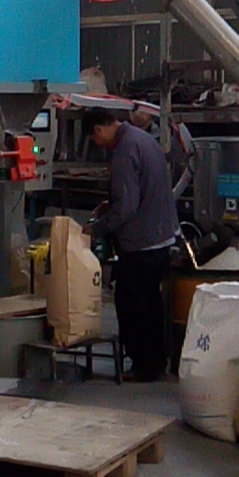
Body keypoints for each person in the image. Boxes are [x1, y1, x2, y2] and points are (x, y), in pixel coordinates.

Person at [86, 106, 178, 381]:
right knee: (151, 303)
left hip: (141, 242)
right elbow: (138, 190)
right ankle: (156, 361)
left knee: (133, 306)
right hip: (160, 235)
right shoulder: (142, 139)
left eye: (94, 138)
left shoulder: (125, 151)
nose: (97, 144)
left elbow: (126, 207)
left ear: (99, 130)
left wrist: (96, 229)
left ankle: (144, 366)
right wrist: (111, 203)